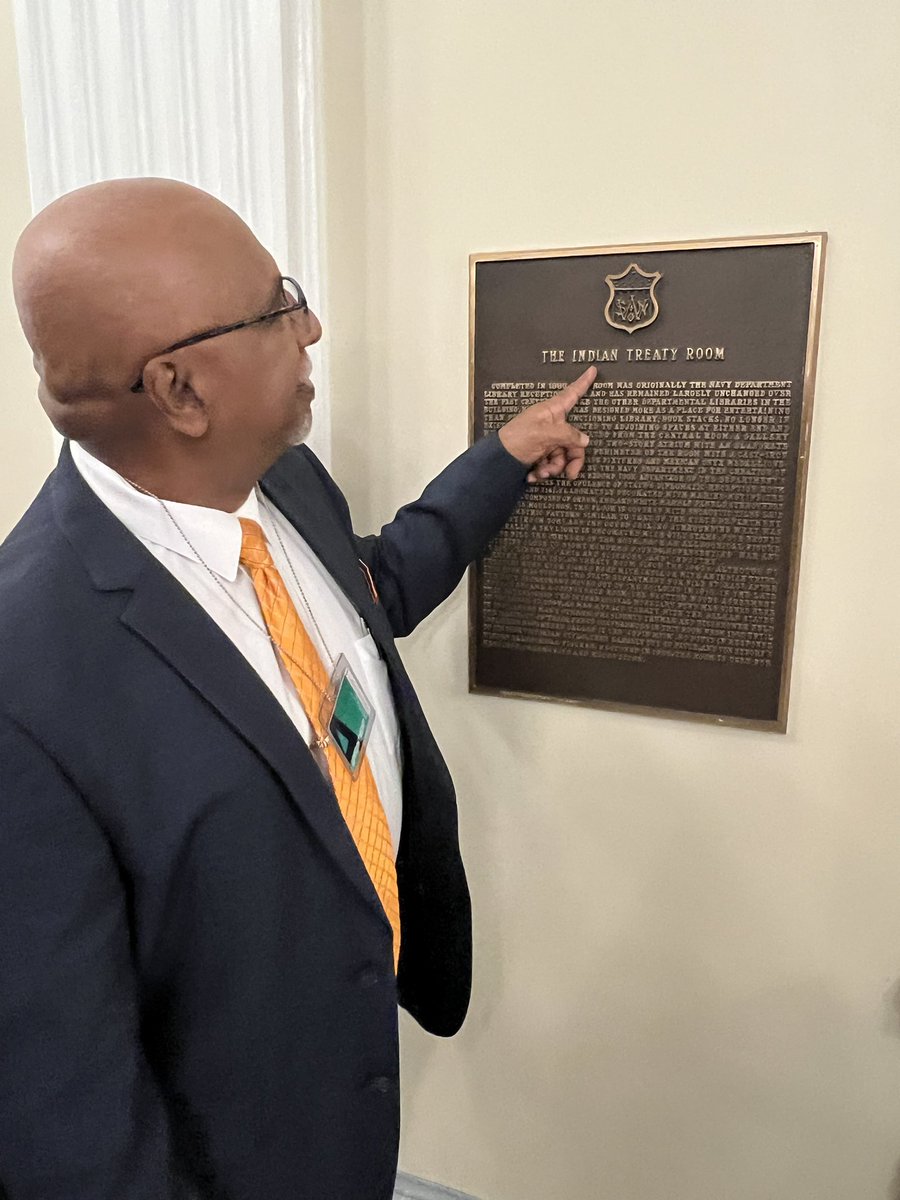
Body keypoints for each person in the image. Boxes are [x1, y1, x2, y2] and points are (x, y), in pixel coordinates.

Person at [0, 178, 594, 1200]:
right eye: (278, 307)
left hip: (346, 1094)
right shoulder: (25, 683)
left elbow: (371, 592)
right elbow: (68, 1115)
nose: (311, 326)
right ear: (182, 389)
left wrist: (499, 461)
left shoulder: (278, 479)